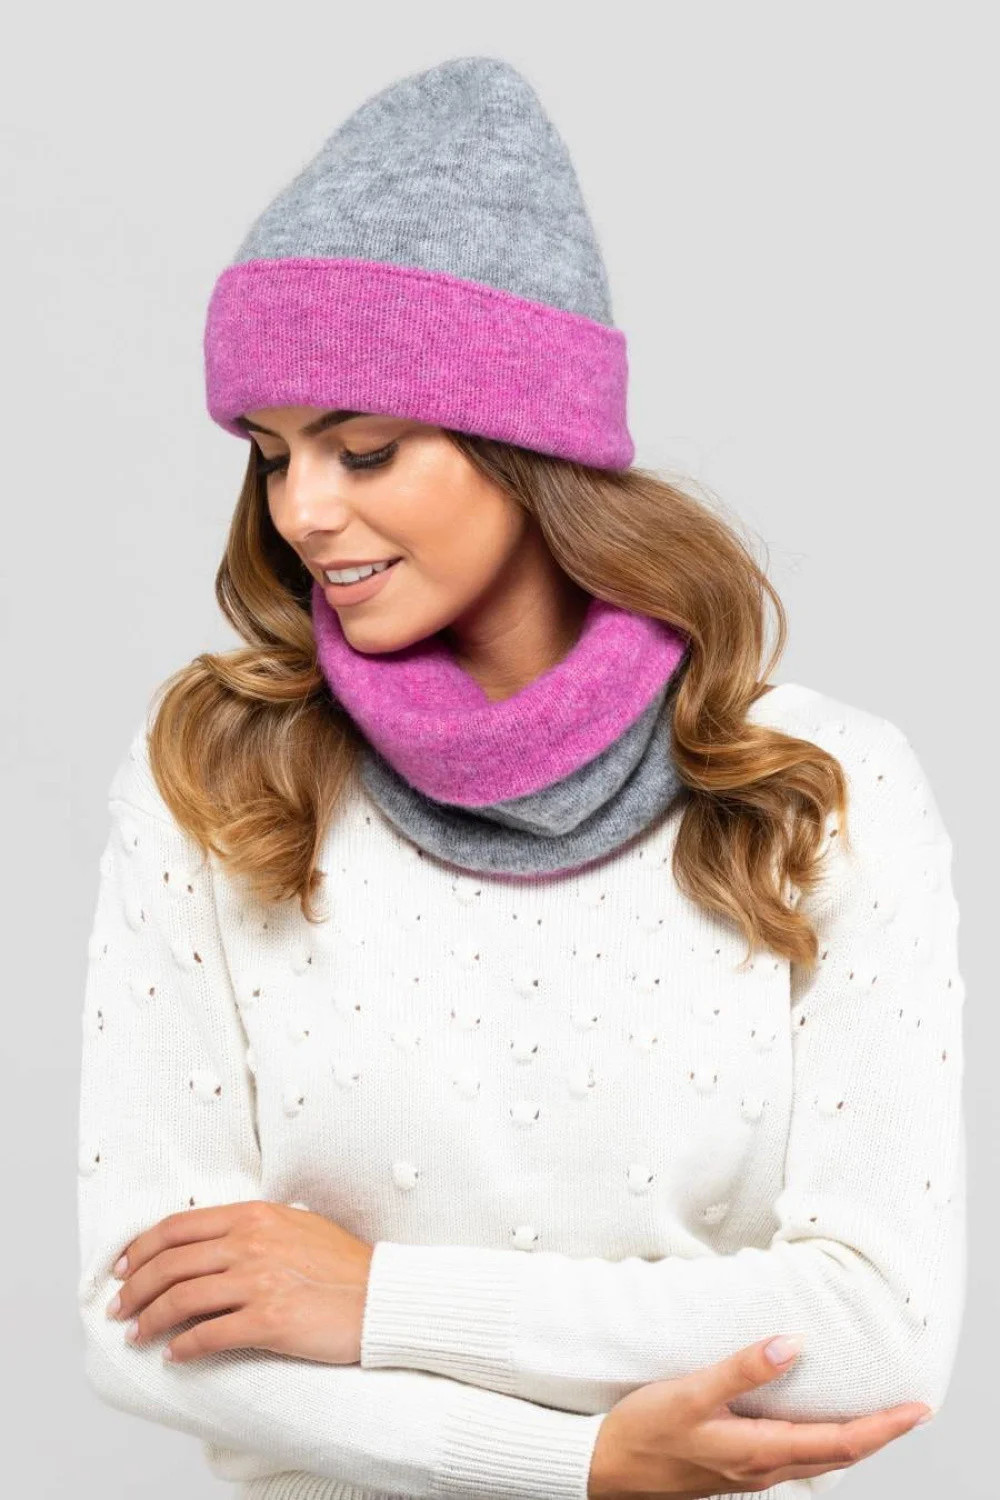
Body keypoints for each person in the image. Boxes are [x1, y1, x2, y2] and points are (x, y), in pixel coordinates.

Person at [76, 53, 964, 1500]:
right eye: (274, 454)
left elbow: (877, 1333)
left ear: (531, 439)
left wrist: (377, 1304)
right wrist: (574, 1463)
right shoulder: (217, 773)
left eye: (365, 449)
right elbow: (143, 1321)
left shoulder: (819, 786)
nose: (302, 511)